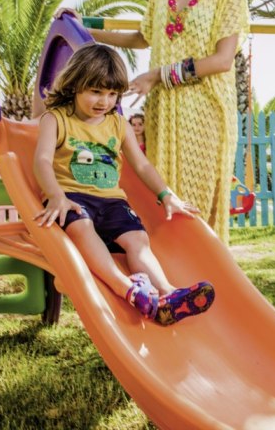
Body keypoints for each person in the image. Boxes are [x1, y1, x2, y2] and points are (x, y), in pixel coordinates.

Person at [59, 0, 249, 243]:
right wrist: (86, 29)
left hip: (206, 111)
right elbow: (144, 36)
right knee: (165, 195)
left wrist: (158, 75)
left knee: (199, 199)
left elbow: (223, 60)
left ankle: (204, 268)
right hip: (163, 108)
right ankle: (167, 269)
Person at [33, 43, 215, 326]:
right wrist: (55, 195)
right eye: (95, 91)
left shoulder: (119, 124)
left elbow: (142, 165)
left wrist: (166, 194)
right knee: (82, 227)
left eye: (112, 94)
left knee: (138, 240)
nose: (104, 101)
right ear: (75, 84)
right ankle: (126, 287)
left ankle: (167, 295)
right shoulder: (55, 119)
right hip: (71, 197)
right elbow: (42, 161)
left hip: (112, 202)